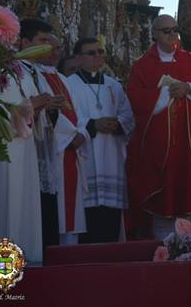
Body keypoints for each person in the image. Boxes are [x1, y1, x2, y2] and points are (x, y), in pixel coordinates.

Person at [126, 15, 191, 240]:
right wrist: (165, 93)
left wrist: (189, 88)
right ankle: (163, 240)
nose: (173, 34)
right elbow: (135, 99)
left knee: (190, 189)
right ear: (155, 34)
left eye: (175, 29)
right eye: (166, 31)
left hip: (189, 143)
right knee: (162, 191)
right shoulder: (143, 66)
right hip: (159, 145)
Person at [22, 21, 88, 246]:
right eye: (46, 43)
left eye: (57, 47)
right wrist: (70, 136)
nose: (53, 51)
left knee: (69, 216)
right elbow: (42, 110)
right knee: (52, 218)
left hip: (70, 152)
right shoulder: (32, 74)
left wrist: (82, 133)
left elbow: (79, 113)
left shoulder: (62, 79)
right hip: (53, 150)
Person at [66, 37, 135, 243]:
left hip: (111, 157)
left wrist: (117, 124)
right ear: (78, 58)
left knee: (110, 218)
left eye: (100, 51)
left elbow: (128, 115)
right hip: (85, 157)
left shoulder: (113, 85)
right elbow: (67, 120)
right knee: (88, 217)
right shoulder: (69, 85)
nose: (98, 56)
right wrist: (93, 124)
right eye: (91, 53)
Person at [0, 41, 43, 263]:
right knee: (1, 204)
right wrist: (26, 110)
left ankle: (25, 260)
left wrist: (36, 108)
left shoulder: (21, 71)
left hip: (24, 149)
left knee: (22, 206)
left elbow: (31, 107)